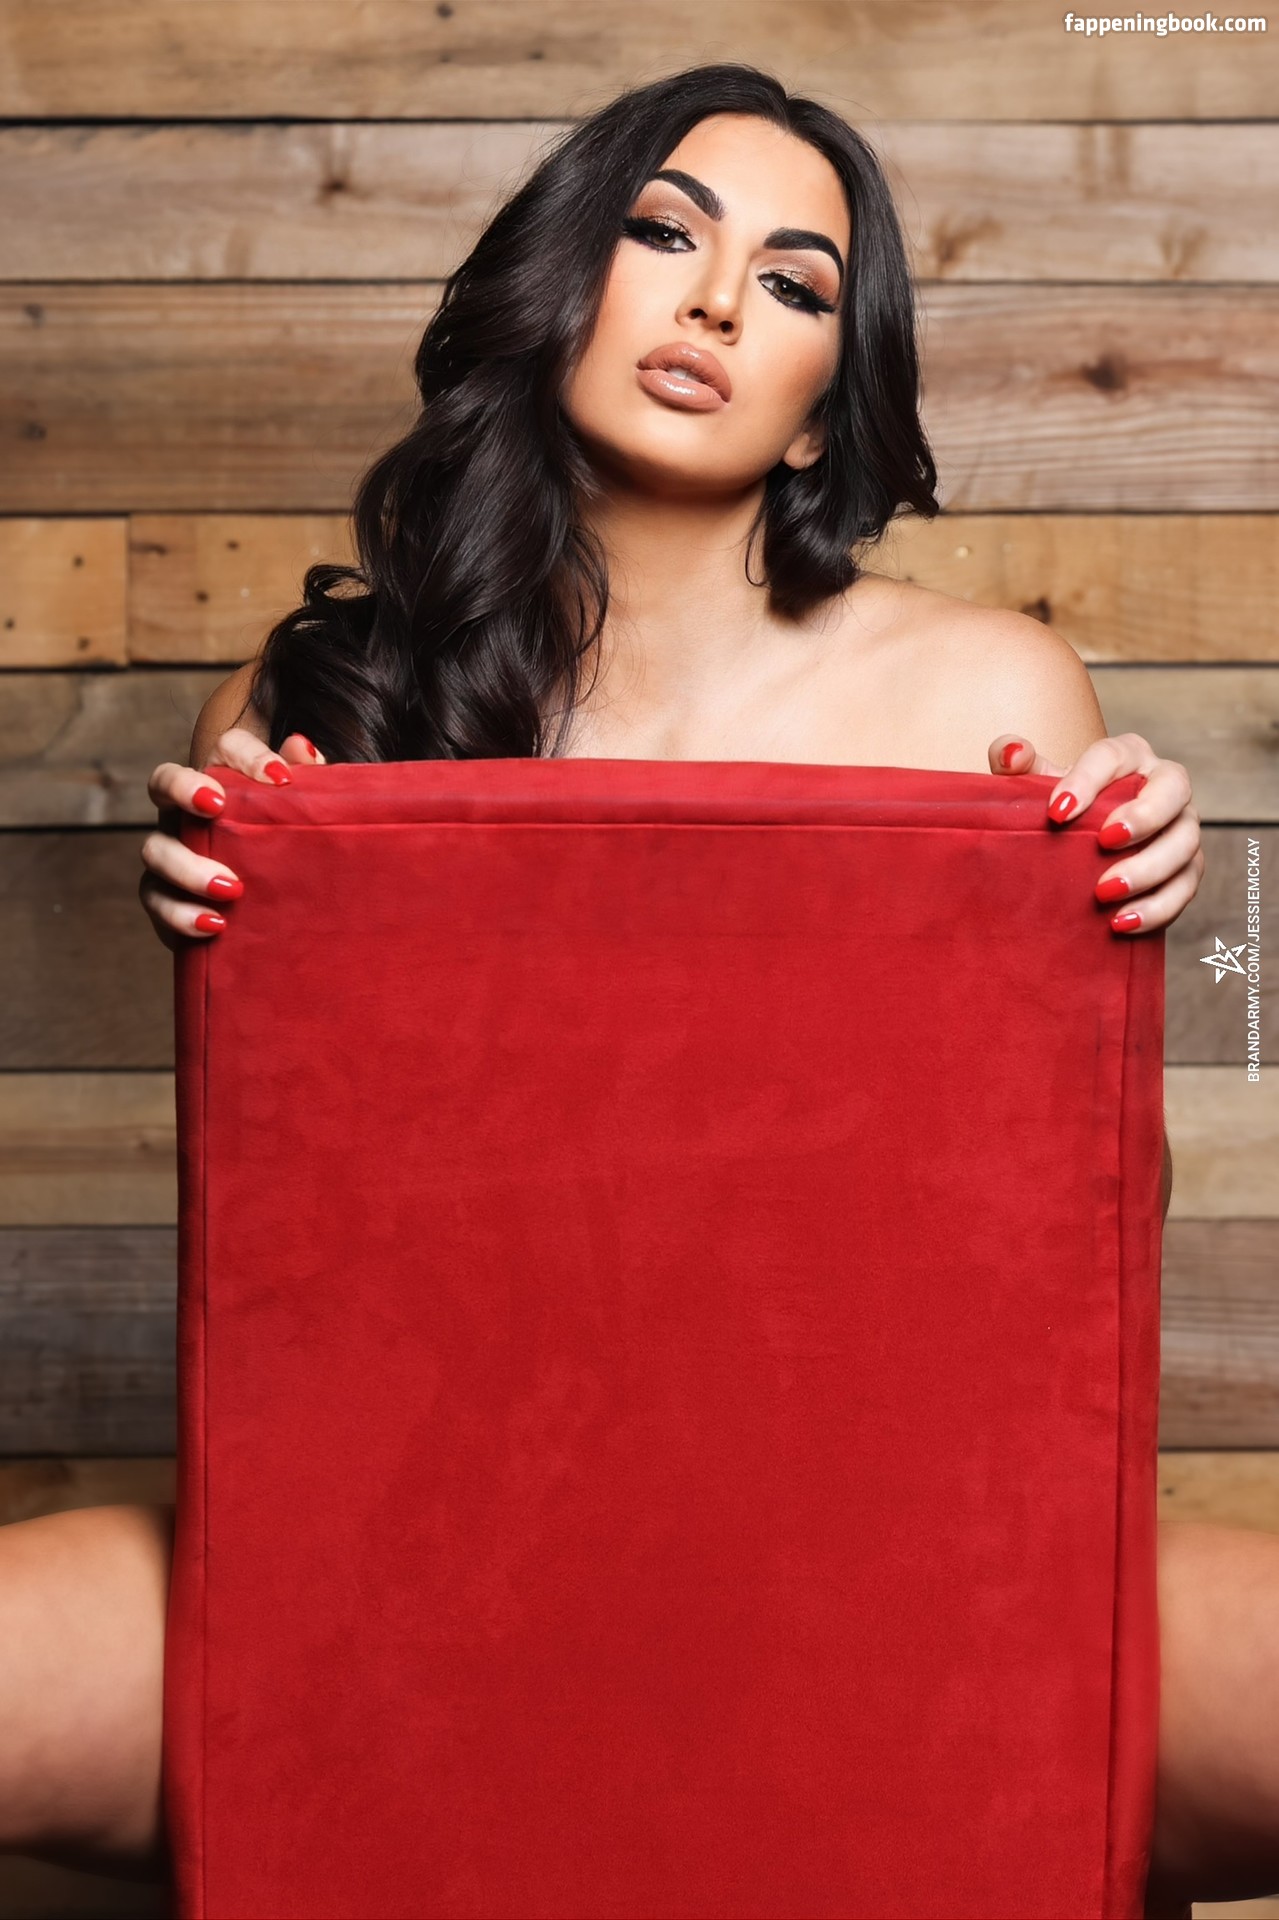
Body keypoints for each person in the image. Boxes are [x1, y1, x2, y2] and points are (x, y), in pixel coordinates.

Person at [1, 63, 1271, 1920]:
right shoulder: (320, 706)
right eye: (664, 231)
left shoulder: (989, 694)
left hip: (887, 1554)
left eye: (796, 281)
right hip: (410, 1559)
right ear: (556, 286)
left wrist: (1151, 927)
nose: (716, 300)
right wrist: (217, 913)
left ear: (827, 412)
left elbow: (1075, 1244)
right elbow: (303, 1255)